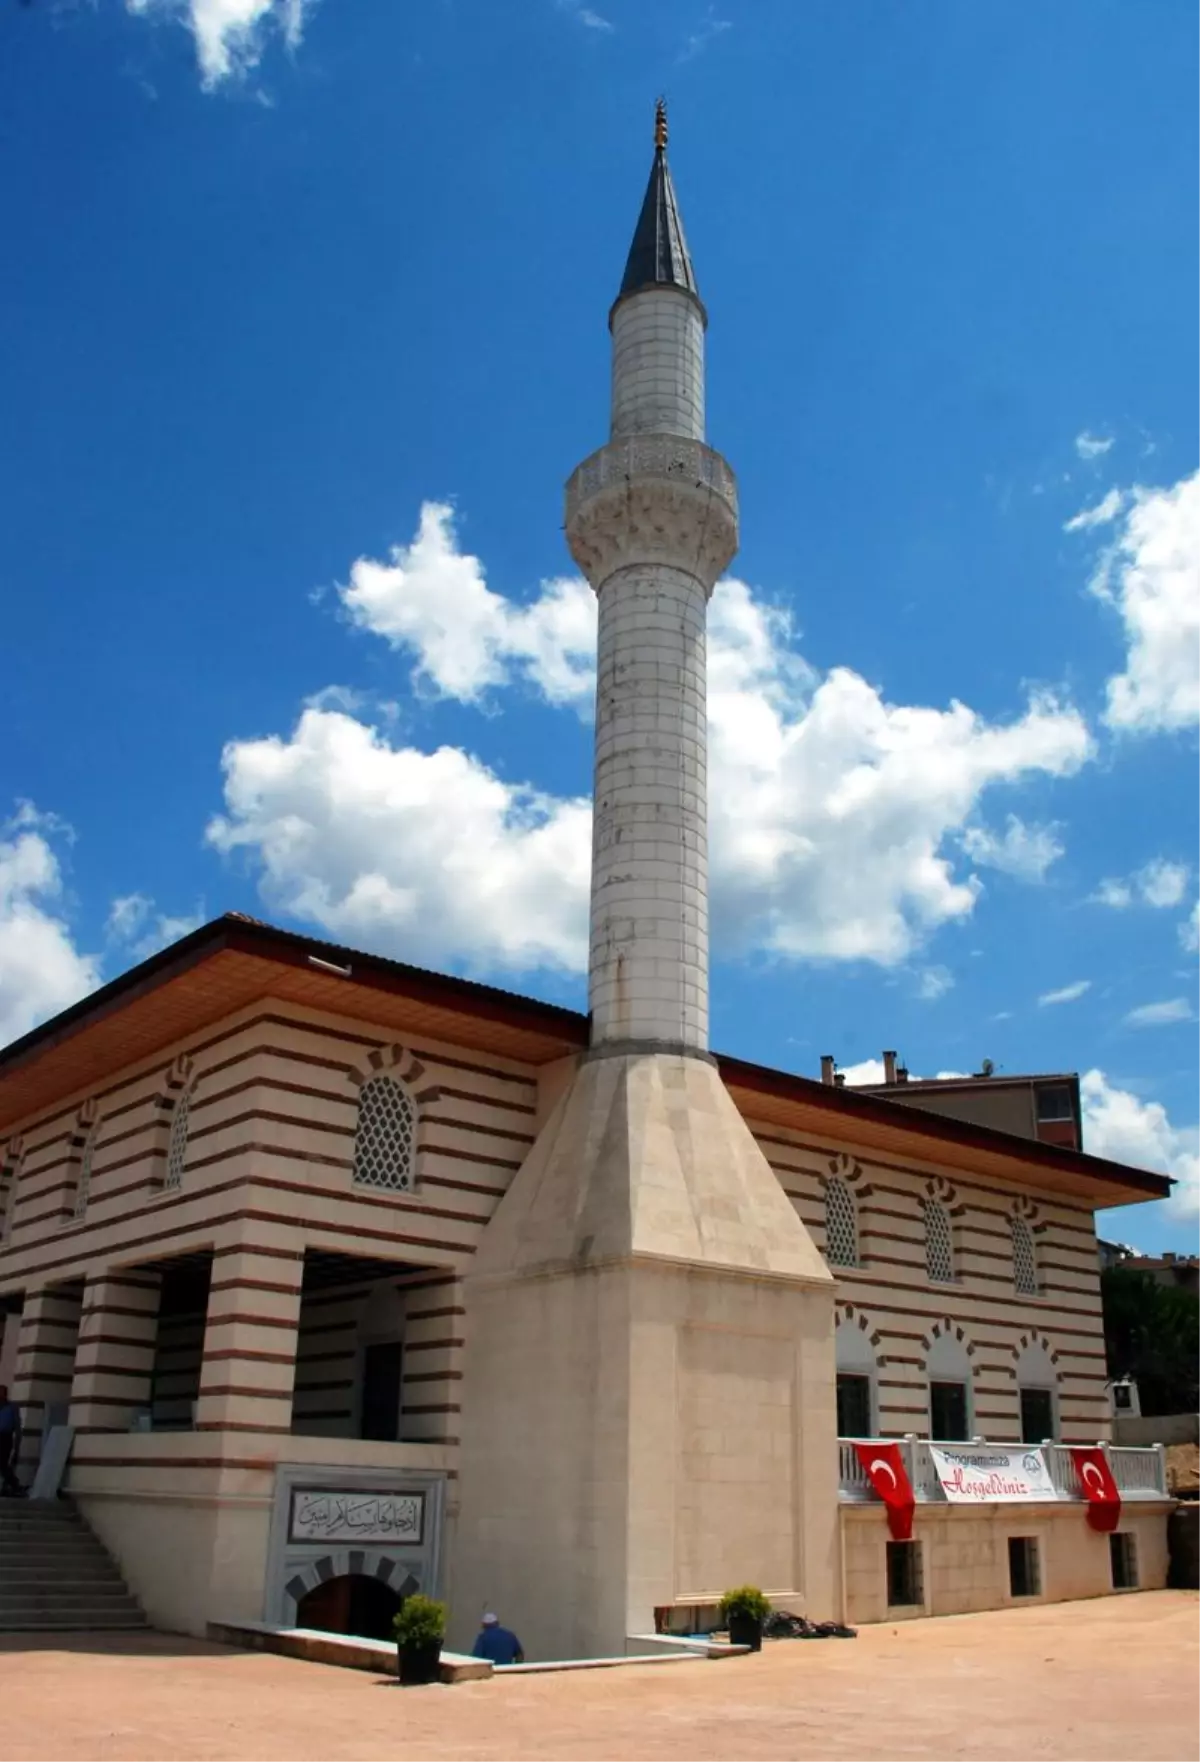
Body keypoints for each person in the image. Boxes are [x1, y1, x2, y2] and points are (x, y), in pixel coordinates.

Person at [0, 1386, 24, 1498]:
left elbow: (17, 1426)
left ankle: (14, 1485)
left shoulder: (12, 1407)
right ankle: (8, 1485)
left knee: (3, 1463)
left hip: (5, 1437)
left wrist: (17, 1444)